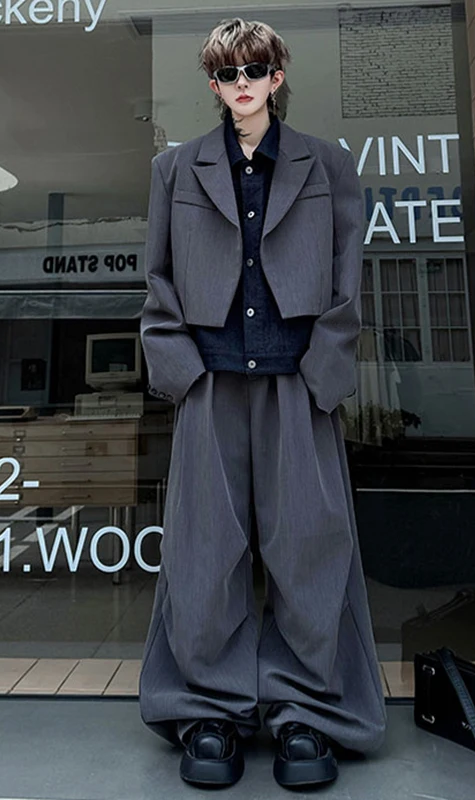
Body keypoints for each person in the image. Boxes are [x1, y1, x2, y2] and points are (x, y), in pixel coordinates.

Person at [138, 17, 387, 789]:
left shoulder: (326, 164)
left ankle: (306, 712)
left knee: (310, 548)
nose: (240, 84)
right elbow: (157, 278)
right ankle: (207, 710)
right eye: (227, 73)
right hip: (210, 383)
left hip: (297, 383)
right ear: (213, 84)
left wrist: (325, 372)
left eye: (254, 70)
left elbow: (347, 274)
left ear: (277, 77)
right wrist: (180, 372)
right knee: (203, 553)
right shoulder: (176, 169)